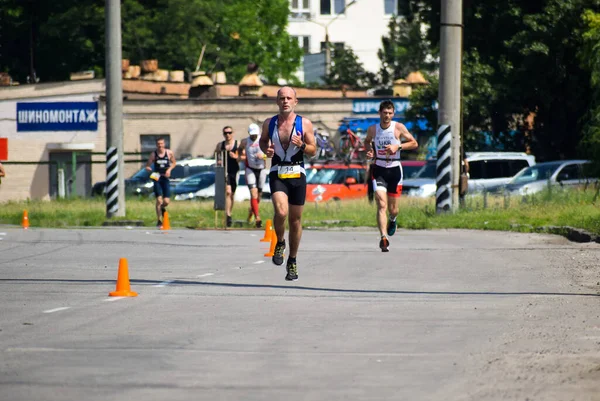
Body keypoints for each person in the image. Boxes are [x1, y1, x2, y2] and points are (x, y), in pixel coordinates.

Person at [259, 86, 316, 281]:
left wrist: (302, 145)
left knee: (295, 220)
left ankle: (292, 260)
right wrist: (266, 150)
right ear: (277, 101)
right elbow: (262, 141)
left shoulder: (305, 124)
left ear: (295, 101)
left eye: (289, 98)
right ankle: (280, 242)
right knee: (281, 212)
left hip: (297, 172)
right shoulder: (269, 123)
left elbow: (313, 150)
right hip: (277, 171)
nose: (285, 101)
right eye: (282, 98)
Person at [364, 100, 418, 252]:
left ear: (393, 114)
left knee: (393, 209)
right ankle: (383, 237)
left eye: (390, 113)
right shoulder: (373, 129)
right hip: (379, 168)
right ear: (379, 113)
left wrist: (398, 146)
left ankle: (393, 220)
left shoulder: (398, 127)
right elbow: (367, 142)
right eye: (384, 113)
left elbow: (414, 143)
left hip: (395, 169)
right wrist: (370, 151)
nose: (387, 116)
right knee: (381, 204)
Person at [239, 123, 268, 228]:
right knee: (253, 194)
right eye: (252, 135)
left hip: (261, 169)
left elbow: (271, 153)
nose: (254, 137)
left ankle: (251, 212)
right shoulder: (245, 141)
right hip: (250, 169)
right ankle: (257, 218)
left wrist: (264, 155)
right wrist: (240, 156)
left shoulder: (263, 141)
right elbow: (239, 149)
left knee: (258, 196)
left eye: (255, 135)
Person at [145, 137, 177, 228]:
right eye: (158, 144)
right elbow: (147, 165)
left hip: (165, 177)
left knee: (166, 201)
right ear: (156, 145)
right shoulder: (153, 154)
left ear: (164, 144)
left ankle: (162, 207)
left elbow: (174, 163)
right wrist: (148, 168)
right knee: (159, 199)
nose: (160, 145)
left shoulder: (169, 153)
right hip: (156, 177)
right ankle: (159, 220)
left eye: (161, 143)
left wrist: (169, 170)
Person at [214, 126, 240, 228]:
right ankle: (228, 215)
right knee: (228, 191)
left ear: (233, 133)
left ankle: (229, 212)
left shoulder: (237, 144)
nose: (227, 135)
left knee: (232, 194)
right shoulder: (221, 145)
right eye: (225, 133)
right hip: (225, 171)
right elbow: (216, 154)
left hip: (235, 171)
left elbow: (243, 157)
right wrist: (218, 160)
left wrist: (236, 157)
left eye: (229, 132)